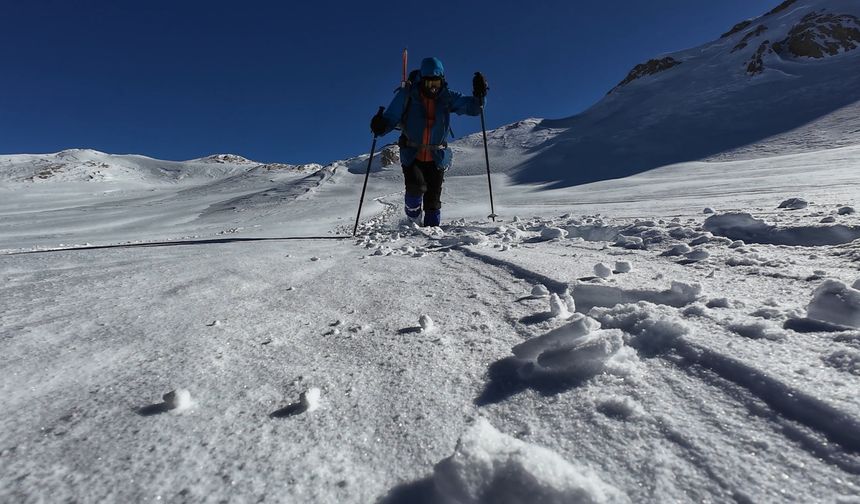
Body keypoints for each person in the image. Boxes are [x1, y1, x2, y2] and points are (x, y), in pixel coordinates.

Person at [371, 57, 488, 227]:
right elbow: (391, 116)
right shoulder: (408, 95)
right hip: (412, 154)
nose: (433, 88)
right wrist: (380, 126)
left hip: (437, 156)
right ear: (421, 81)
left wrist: (480, 96)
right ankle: (413, 220)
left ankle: (431, 236)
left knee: (433, 202)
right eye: (429, 84)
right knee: (416, 187)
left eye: (436, 83)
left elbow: (474, 108)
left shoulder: (447, 96)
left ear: (442, 81)